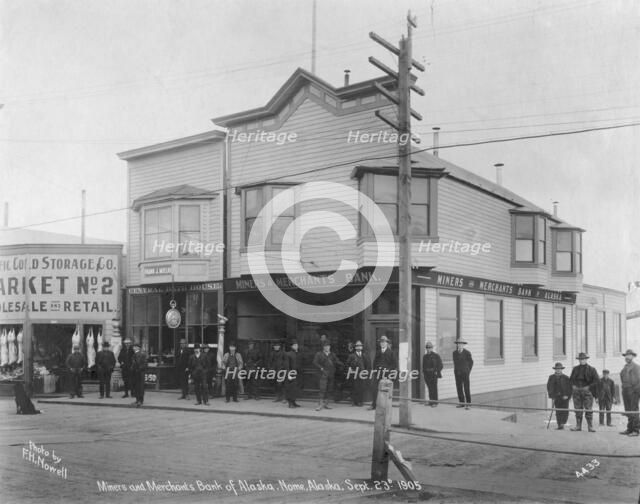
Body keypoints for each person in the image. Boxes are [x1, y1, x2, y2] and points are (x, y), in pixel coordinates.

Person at [569, 352, 599, 432]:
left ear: (586, 359)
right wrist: (573, 386)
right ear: (579, 360)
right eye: (580, 359)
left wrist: (589, 387)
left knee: (588, 409)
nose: (582, 361)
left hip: (587, 392)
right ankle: (578, 426)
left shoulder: (592, 369)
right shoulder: (575, 369)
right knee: (578, 409)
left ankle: (590, 427)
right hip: (577, 392)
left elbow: (597, 381)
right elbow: (571, 380)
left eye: (583, 359)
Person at [313, 341, 343, 411]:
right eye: (326, 346)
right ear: (323, 347)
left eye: (328, 346)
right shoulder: (319, 354)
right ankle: (320, 405)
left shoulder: (332, 354)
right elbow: (315, 362)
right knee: (322, 389)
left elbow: (336, 361)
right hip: (323, 374)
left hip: (331, 374)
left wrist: (341, 364)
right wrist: (321, 367)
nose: (327, 348)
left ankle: (326, 404)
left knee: (329, 389)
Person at [369, 335, 396, 410]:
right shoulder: (378, 352)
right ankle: (374, 405)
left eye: (384, 342)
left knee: (385, 389)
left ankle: (385, 406)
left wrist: (388, 372)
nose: (382, 343)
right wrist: (375, 371)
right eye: (381, 342)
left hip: (387, 374)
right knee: (375, 388)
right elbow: (374, 362)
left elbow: (394, 364)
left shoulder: (391, 352)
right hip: (378, 373)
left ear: (387, 343)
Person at [620, 349, 640, 436]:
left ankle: (635, 430)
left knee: (634, 410)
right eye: (626, 356)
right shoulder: (625, 367)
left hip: (634, 392)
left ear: (633, 356)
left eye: (629, 355)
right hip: (625, 391)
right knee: (628, 410)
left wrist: (635, 391)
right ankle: (629, 428)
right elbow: (622, 377)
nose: (627, 357)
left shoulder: (637, 367)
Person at [547, 362, 572, 430]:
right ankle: (559, 424)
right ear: (555, 369)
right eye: (557, 369)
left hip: (564, 397)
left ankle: (562, 423)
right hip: (556, 397)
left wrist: (567, 396)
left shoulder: (566, 378)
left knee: (564, 411)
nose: (558, 370)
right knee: (558, 411)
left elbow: (570, 388)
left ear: (561, 369)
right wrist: (552, 395)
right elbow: (549, 387)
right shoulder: (551, 377)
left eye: (559, 369)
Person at [346, 340, 370, 406]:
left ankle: (360, 401)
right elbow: (347, 365)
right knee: (354, 387)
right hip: (354, 374)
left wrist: (366, 373)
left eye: (360, 346)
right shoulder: (352, 356)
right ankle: (354, 401)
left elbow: (368, 365)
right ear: (355, 347)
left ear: (362, 347)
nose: (359, 347)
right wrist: (351, 370)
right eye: (357, 346)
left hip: (362, 374)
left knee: (361, 388)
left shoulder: (364, 355)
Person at [452, 339, 473, 409]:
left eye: (461, 344)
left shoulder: (467, 353)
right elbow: (455, 363)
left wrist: (468, 371)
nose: (460, 345)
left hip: (465, 373)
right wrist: (456, 371)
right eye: (458, 344)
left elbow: (471, 363)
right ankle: (461, 403)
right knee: (459, 388)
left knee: (466, 388)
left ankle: (468, 404)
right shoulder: (454, 353)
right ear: (457, 345)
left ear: (463, 345)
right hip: (457, 373)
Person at [422, 341, 443, 407]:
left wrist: (437, 371)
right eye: (427, 348)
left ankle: (435, 402)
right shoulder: (425, 356)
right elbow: (423, 366)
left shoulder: (436, 356)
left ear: (432, 348)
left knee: (434, 388)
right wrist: (424, 373)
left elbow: (440, 365)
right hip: (427, 375)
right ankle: (431, 401)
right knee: (430, 388)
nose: (428, 349)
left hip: (433, 375)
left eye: (430, 348)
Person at [285, 340, 303, 408]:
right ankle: (290, 403)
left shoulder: (299, 353)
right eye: (294, 345)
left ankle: (294, 402)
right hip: (291, 373)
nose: (296, 346)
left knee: (296, 389)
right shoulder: (288, 354)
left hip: (298, 373)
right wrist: (288, 374)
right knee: (290, 388)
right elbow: (287, 365)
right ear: (291, 346)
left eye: (297, 345)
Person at [130, 343, 148, 407]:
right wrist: (132, 369)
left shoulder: (142, 354)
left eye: (134, 347)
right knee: (136, 387)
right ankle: (137, 399)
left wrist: (139, 369)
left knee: (140, 387)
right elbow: (133, 364)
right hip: (135, 373)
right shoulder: (134, 355)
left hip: (140, 373)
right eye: (133, 347)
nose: (133, 348)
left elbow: (145, 364)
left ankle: (140, 400)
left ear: (138, 347)